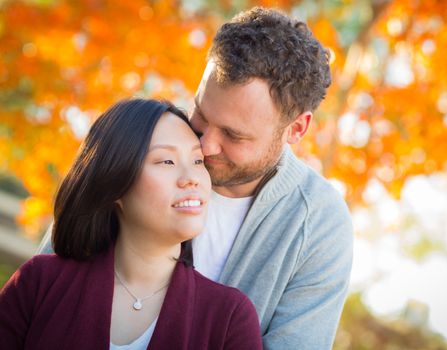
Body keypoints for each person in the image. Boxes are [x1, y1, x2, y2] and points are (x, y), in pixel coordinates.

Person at [39, 6, 353, 349]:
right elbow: (46, 282)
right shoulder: (144, 142)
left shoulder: (319, 224)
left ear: (296, 129)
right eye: (201, 114)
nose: (204, 145)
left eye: (234, 136)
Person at [1, 99, 263, 350]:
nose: (192, 178)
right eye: (166, 161)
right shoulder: (39, 282)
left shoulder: (230, 319)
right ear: (115, 182)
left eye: (197, 161)